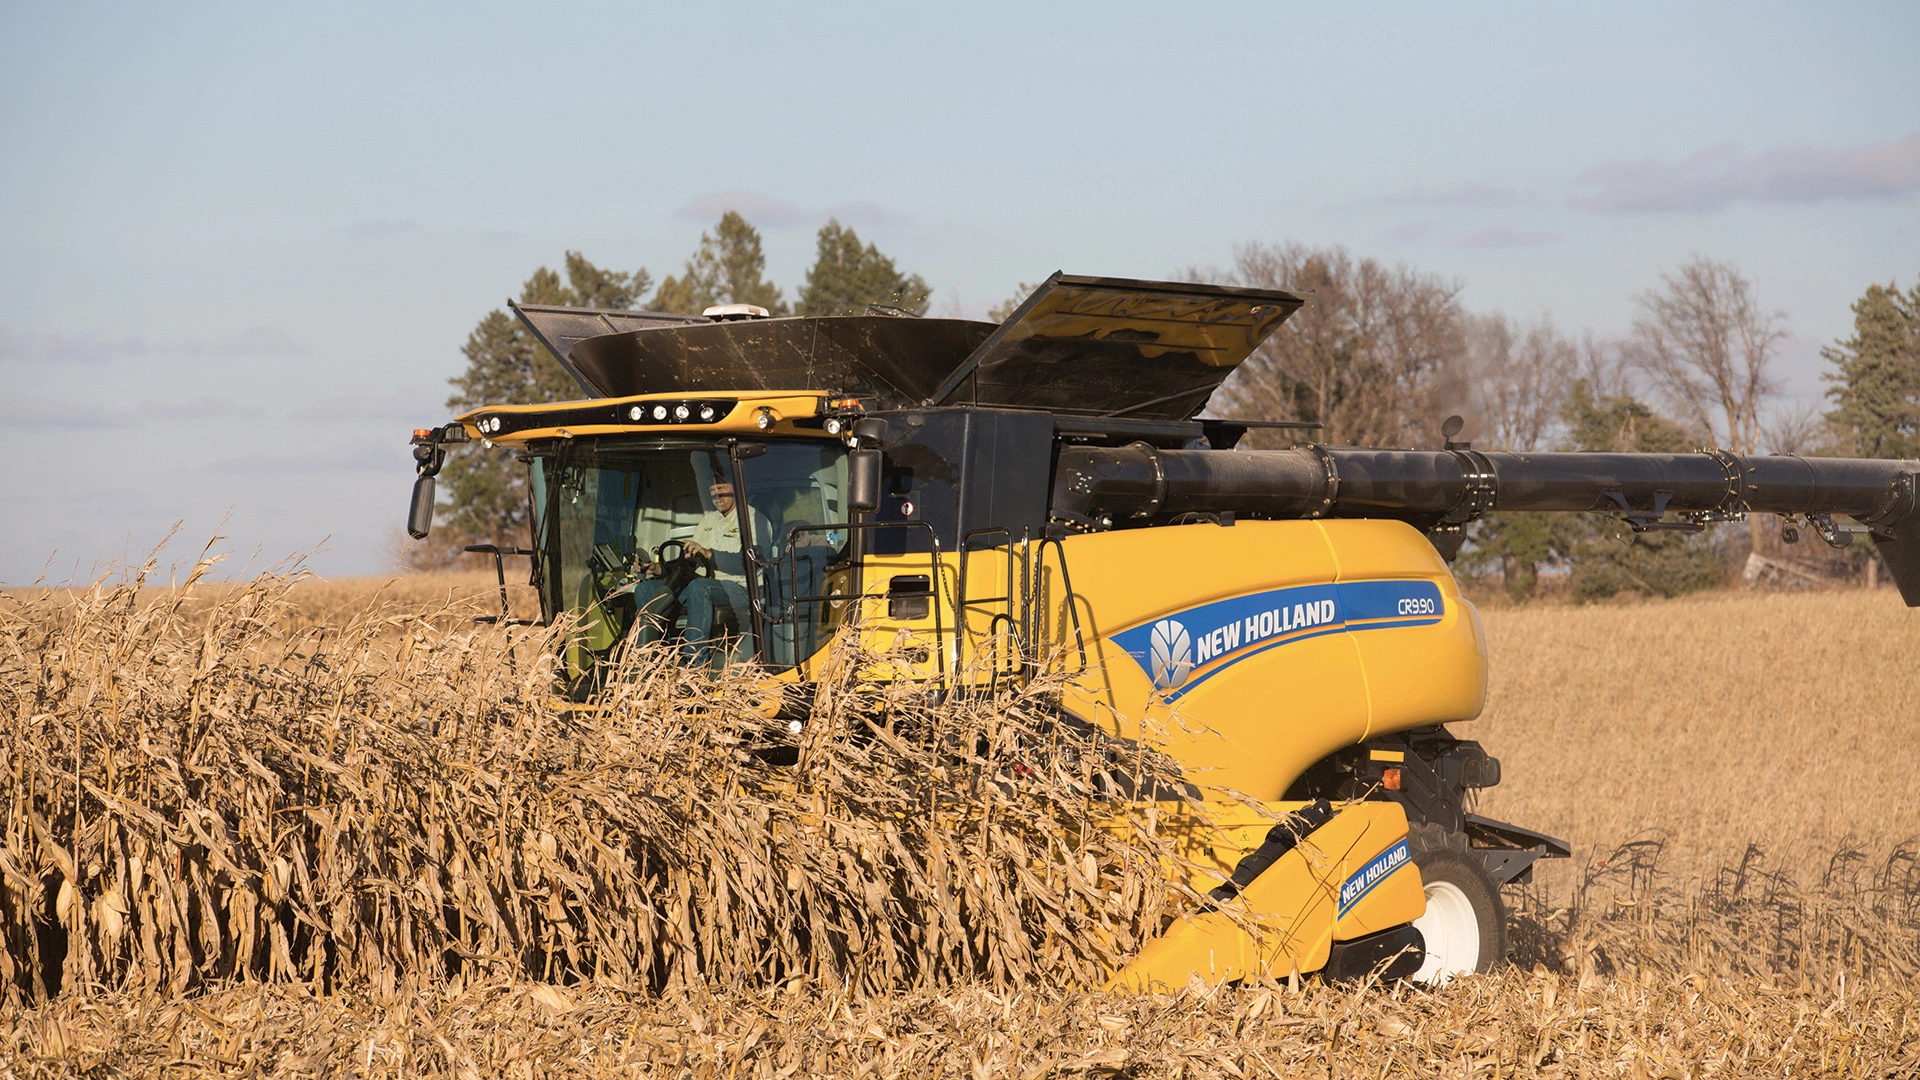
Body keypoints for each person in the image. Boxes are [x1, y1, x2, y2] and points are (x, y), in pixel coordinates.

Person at [679, 477, 756, 667]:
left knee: (699, 587)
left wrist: (707, 553)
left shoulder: (753, 519)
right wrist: (656, 568)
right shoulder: (708, 520)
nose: (717, 496)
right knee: (646, 589)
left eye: (721, 489)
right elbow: (691, 558)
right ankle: (645, 662)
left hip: (739, 589)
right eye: (713, 492)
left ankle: (694, 665)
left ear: (736, 488)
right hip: (705, 584)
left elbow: (747, 562)